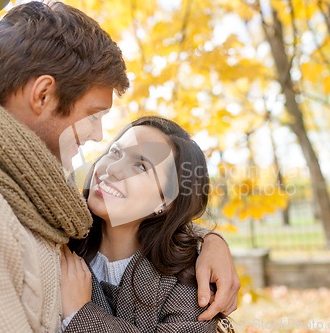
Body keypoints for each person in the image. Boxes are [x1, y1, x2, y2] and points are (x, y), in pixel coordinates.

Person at [0, 2, 239, 333]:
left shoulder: (41, 197)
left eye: (140, 164)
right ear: (44, 95)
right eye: (93, 115)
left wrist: (208, 241)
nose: (97, 136)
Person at [60, 116, 234, 332]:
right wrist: (212, 239)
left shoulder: (189, 282)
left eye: (141, 166)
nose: (113, 168)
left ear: (165, 201)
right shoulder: (60, 236)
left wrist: (81, 314)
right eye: (115, 152)